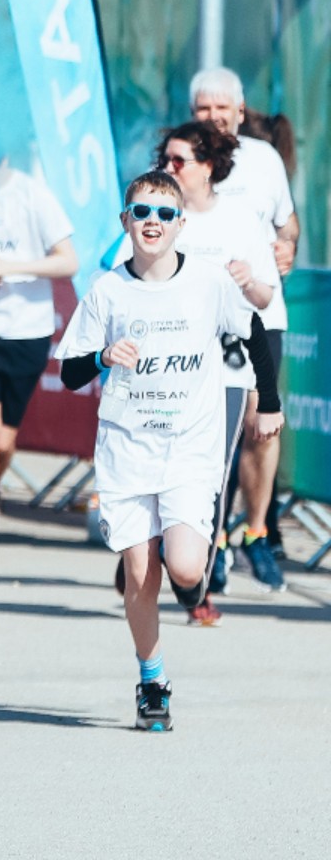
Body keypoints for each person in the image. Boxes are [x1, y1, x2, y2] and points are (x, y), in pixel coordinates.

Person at [57, 170, 281, 730]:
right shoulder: (108, 290)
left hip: (187, 446)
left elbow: (253, 331)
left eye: (163, 214)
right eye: (141, 212)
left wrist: (269, 401)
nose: (151, 223)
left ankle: (193, 577)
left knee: (182, 566)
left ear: (181, 224)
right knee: (139, 572)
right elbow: (69, 371)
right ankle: (152, 680)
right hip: (127, 448)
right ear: (125, 221)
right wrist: (106, 358)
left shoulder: (206, 282)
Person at [147, 122, 286, 605]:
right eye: (164, 160)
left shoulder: (241, 220)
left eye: (178, 161)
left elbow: (265, 299)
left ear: (208, 167)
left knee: (209, 479)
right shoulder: (155, 212)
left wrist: (248, 281)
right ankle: (150, 556)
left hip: (223, 372)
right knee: (160, 474)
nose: (167, 169)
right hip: (161, 372)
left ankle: (198, 580)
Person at [189, 68, 297, 590]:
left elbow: (287, 224)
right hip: (199, 319)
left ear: (239, 108)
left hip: (261, 313)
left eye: (219, 108)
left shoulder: (265, 160)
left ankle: (257, 533)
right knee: (213, 435)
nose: (211, 117)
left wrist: (288, 246)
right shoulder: (183, 161)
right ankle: (215, 545)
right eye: (201, 110)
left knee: (262, 426)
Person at [0, 131, 77, 563]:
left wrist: (7, 268)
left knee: (5, 440)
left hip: (27, 331)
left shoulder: (33, 194)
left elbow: (68, 260)